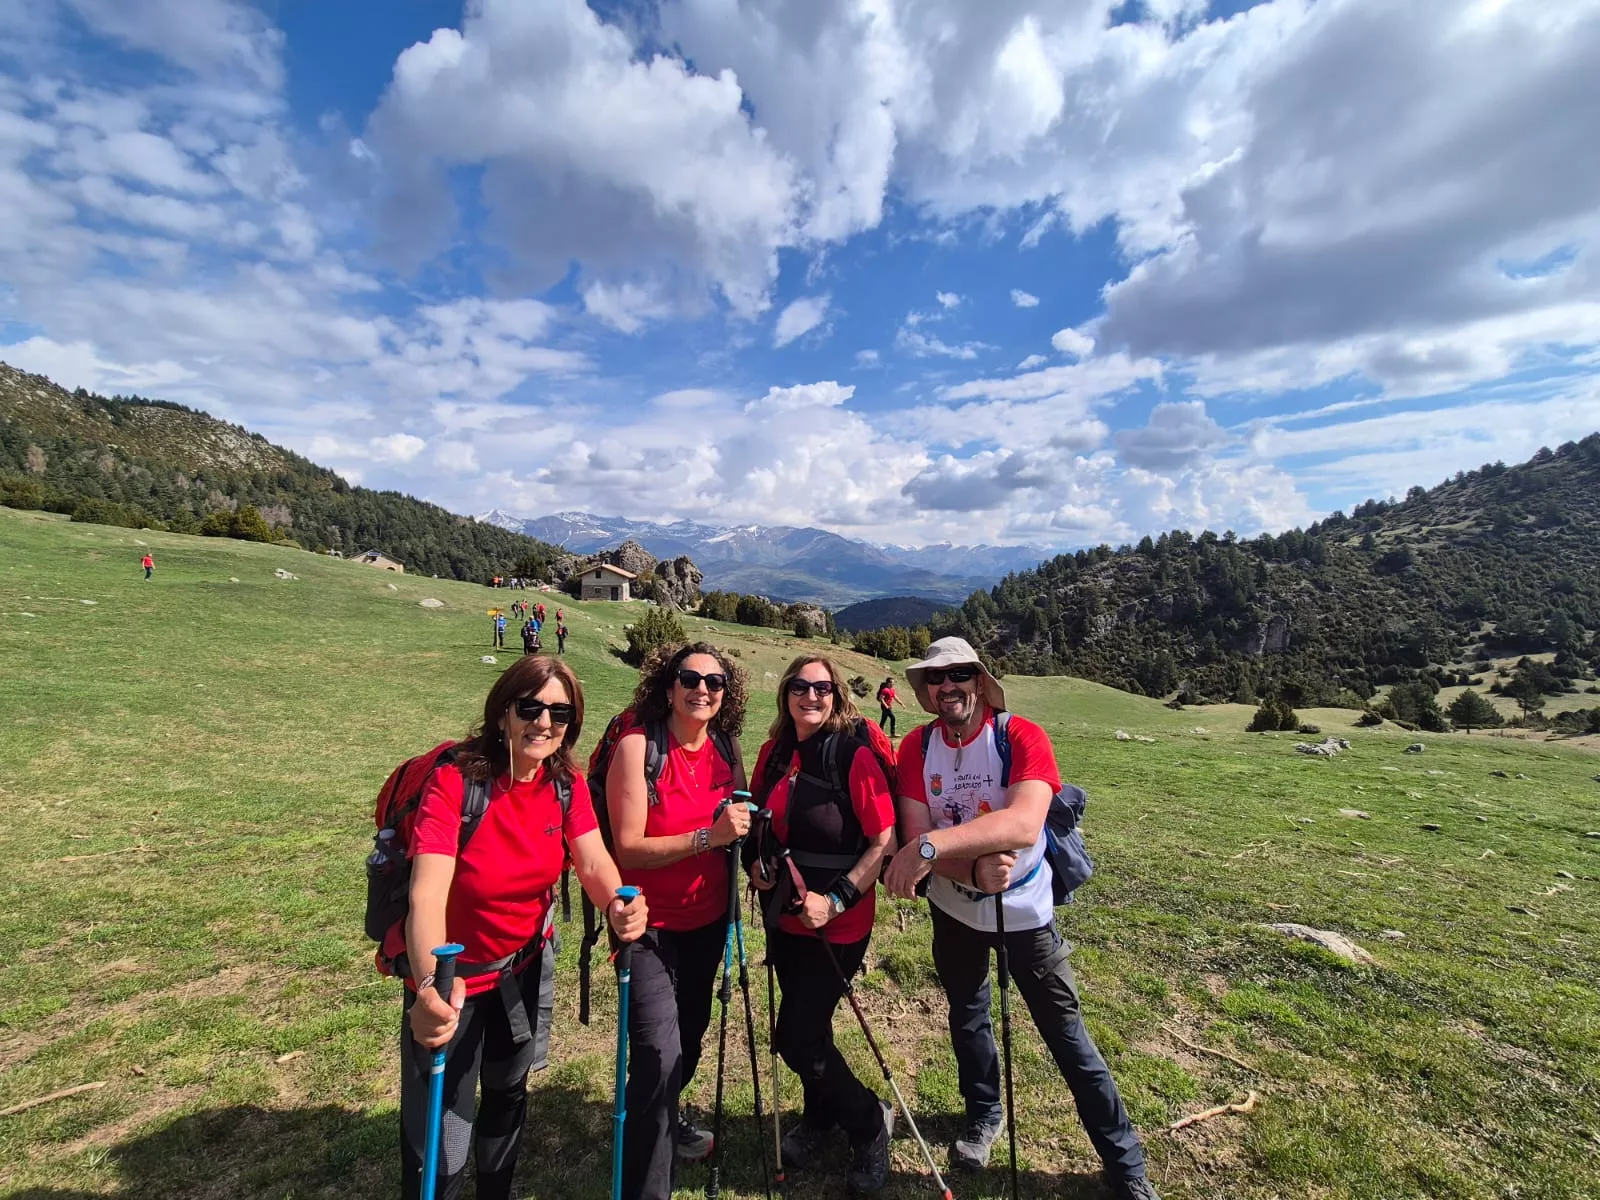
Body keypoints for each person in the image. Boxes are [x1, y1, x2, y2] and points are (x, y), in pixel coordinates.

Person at [883, 638, 1158, 1200]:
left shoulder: (1020, 736)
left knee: (1066, 1036)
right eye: (935, 679)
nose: (948, 686)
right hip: (955, 909)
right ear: (925, 691)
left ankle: (1125, 1162)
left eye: (960, 674)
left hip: (1026, 914)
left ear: (980, 681)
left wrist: (934, 849)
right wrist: (969, 869)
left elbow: (1024, 824)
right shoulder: (915, 746)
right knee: (968, 1015)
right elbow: (911, 837)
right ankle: (984, 1117)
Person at [394, 655, 648, 1200]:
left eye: (559, 712)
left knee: (509, 1092)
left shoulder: (565, 785)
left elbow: (595, 863)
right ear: (504, 713)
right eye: (530, 707)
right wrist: (427, 986)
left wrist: (620, 904)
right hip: (454, 983)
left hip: (523, 970)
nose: (543, 723)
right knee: (443, 1135)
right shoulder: (456, 784)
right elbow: (427, 893)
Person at [604, 642, 750, 1200]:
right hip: (648, 929)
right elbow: (630, 847)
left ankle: (659, 1114)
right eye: (690, 678)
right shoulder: (639, 747)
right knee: (660, 1054)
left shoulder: (725, 750)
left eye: (715, 683)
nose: (702, 689)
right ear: (668, 687)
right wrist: (704, 839)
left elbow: (739, 823)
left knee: (686, 1041)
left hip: (709, 925)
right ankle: (650, 1181)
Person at [747, 655, 897, 1193]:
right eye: (800, 687)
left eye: (823, 688)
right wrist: (757, 869)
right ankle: (820, 1116)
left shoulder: (853, 756)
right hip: (784, 919)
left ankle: (867, 1123)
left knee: (795, 1036)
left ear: (836, 696)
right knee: (812, 1028)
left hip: (838, 925)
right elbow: (757, 828)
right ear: (786, 692)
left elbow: (884, 841)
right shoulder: (773, 754)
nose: (811, 696)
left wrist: (835, 900)